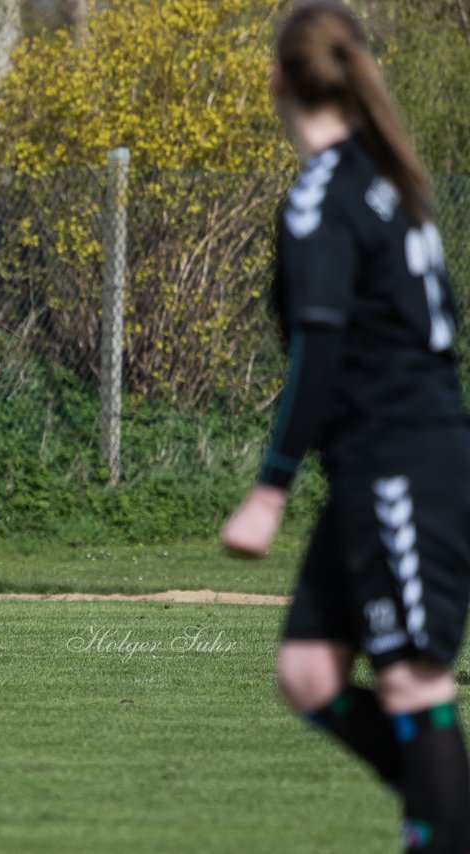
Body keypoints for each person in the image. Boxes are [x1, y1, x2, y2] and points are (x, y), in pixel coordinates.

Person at [220, 3, 470, 850]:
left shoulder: (326, 194)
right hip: (383, 460)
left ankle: (443, 825)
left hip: (402, 459)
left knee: (410, 682)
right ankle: (449, 810)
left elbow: (317, 353)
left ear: (277, 79)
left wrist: (270, 489)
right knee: (310, 671)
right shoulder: (389, 180)